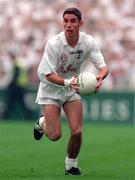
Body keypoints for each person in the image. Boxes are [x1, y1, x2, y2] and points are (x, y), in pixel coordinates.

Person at [33, 7, 108, 176]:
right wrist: (68, 82)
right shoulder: (54, 43)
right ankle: (41, 123)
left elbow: (103, 67)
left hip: (72, 88)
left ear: (80, 23)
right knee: (54, 135)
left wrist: (100, 78)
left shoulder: (88, 42)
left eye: (73, 21)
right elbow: (46, 74)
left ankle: (71, 165)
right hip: (51, 89)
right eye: (65, 21)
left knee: (77, 131)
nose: (68, 25)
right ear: (62, 23)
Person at [3, 51, 32, 119]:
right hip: (20, 86)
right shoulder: (19, 63)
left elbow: (15, 76)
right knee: (20, 103)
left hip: (17, 87)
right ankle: (28, 116)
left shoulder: (16, 64)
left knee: (11, 103)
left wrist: (9, 85)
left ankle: (5, 116)